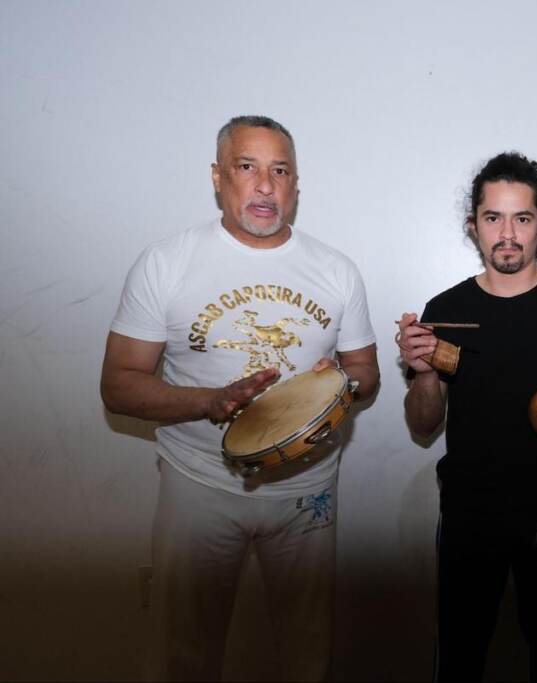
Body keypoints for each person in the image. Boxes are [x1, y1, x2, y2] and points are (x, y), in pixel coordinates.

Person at [100, 115, 379, 682]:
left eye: (280, 171)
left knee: (308, 652)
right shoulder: (167, 263)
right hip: (199, 486)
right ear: (218, 177)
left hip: (306, 492)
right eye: (247, 167)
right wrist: (209, 401)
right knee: (183, 652)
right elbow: (119, 384)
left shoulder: (337, 271)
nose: (264, 185)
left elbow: (366, 371)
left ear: (296, 184)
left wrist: (336, 388)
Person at [396, 152, 537, 681]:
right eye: (493, 218)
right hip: (470, 510)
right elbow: (424, 425)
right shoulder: (445, 308)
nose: (508, 234)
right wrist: (425, 373)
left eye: (522, 218)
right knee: (460, 650)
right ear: (473, 224)